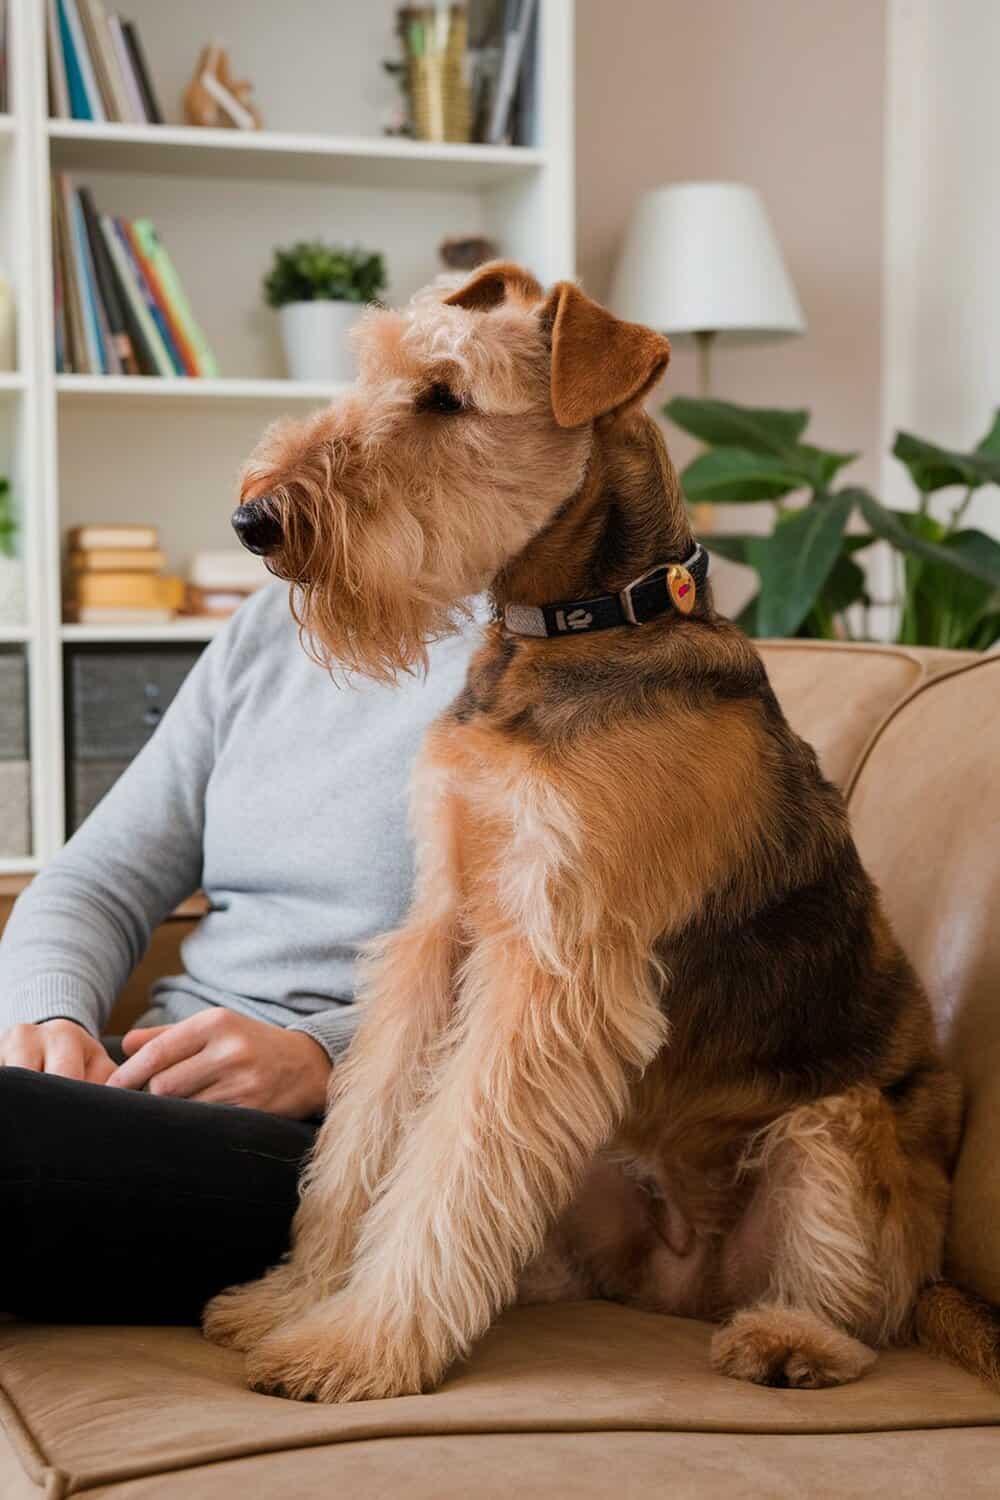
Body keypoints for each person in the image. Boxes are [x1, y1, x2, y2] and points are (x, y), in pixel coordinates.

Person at [0, 582, 480, 1324]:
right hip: (148, 1082)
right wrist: (51, 1021)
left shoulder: (584, 640)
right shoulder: (277, 618)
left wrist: (324, 1060)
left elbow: (585, 974)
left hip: (352, 1137)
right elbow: (94, 880)